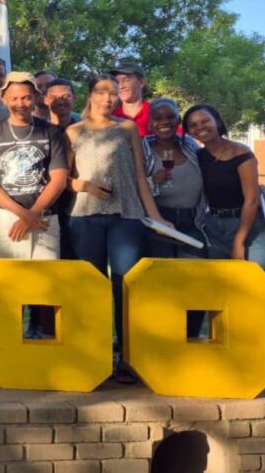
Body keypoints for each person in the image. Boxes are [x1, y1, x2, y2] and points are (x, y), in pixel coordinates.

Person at [67, 74, 167, 383]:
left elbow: (140, 176)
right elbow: (62, 179)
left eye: (114, 93)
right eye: (102, 92)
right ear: (91, 95)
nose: (109, 98)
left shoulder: (127, 129)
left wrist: (155, 216)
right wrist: (85, 185)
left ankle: (127, 356)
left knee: (125, 285)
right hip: (86, 215)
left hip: (127, 215)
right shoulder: (73, 131)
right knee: (91, 287)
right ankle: (93, 356)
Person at [0, 72, 69, 338]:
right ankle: (9, 337)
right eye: (14, 97)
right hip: (6, 216)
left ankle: (42, 333)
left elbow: (59, 179)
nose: (20, 103)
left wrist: (33, 213)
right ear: (4, 98)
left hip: (45, 216)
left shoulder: (50, 132)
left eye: (26, 97)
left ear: (36, 97)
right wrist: (21, 214)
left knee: (46, 281)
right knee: (11, 281)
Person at [142, 99, 208, 337]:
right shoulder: (142, 147)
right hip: (159, 223)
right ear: (150, 123)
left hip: (193, 221)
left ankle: (190, 335)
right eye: (157, 118)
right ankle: (164, 337)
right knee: (163, 282)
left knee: (194, 280)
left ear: (178, 121)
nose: (164, 122)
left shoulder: (190, 144)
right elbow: (134, 186)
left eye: (169, 117)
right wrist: (153, 181)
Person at [183, 104, 265, 267]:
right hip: (215, 225)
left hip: (248, 224)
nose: (200, 127)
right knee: (223, 281)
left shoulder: (241, 153)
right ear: (189, 132)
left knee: (253, 281)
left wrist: (239, 241)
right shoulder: (198, 157)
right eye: (193, 125)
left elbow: (252, 200)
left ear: (217, 122)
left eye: (205, 121)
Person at [44, 78, 82, 260]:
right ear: (45, 100)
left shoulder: (85, 128)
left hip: (79, 205)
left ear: (75, 98)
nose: (60, 100)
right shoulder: (37, 130)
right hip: (48, 204)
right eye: (54, 96)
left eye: (66, 96)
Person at [112, 62, 151, 137]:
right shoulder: (111, 118)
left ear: (141, 82)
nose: (120, 86)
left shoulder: (157, 115)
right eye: (116, 81)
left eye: (126, 79)